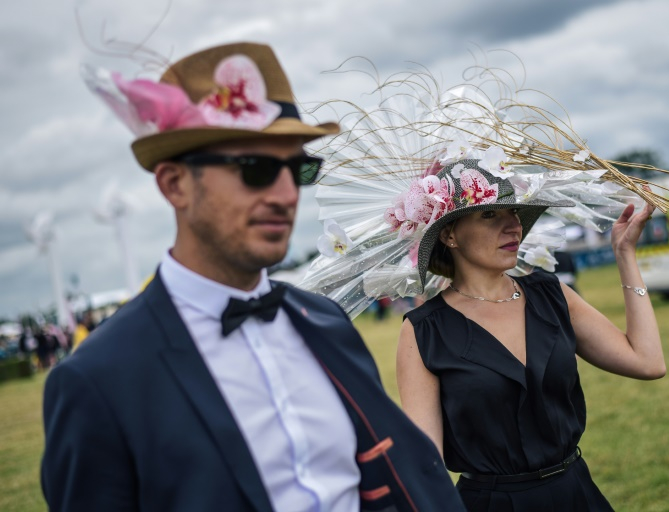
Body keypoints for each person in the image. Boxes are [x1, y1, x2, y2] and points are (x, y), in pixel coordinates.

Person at [41, 42, 464, 511]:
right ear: (174, 184)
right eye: (256, 168)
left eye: (299, 167)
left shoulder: (324, 320)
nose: (286, 193)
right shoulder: (97, 380)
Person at [298, 60, 669, 511]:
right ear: (449, 233)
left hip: (577, 494)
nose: (511, 225)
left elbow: (648, 361)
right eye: (490, 214)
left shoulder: (551, 294)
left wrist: (625, 257)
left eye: (514, 213)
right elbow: (424, 462)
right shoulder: (424, 331)